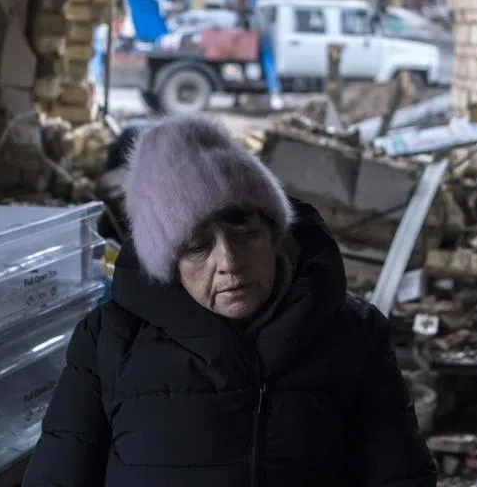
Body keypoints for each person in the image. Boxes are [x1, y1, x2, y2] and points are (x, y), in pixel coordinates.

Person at [23, 116, 436, 487]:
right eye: (198, 246)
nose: (229, 261)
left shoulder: (353, 333)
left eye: (245, 232)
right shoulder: (108, 343)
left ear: (275, 234)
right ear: (168, 263)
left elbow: (402, 477)